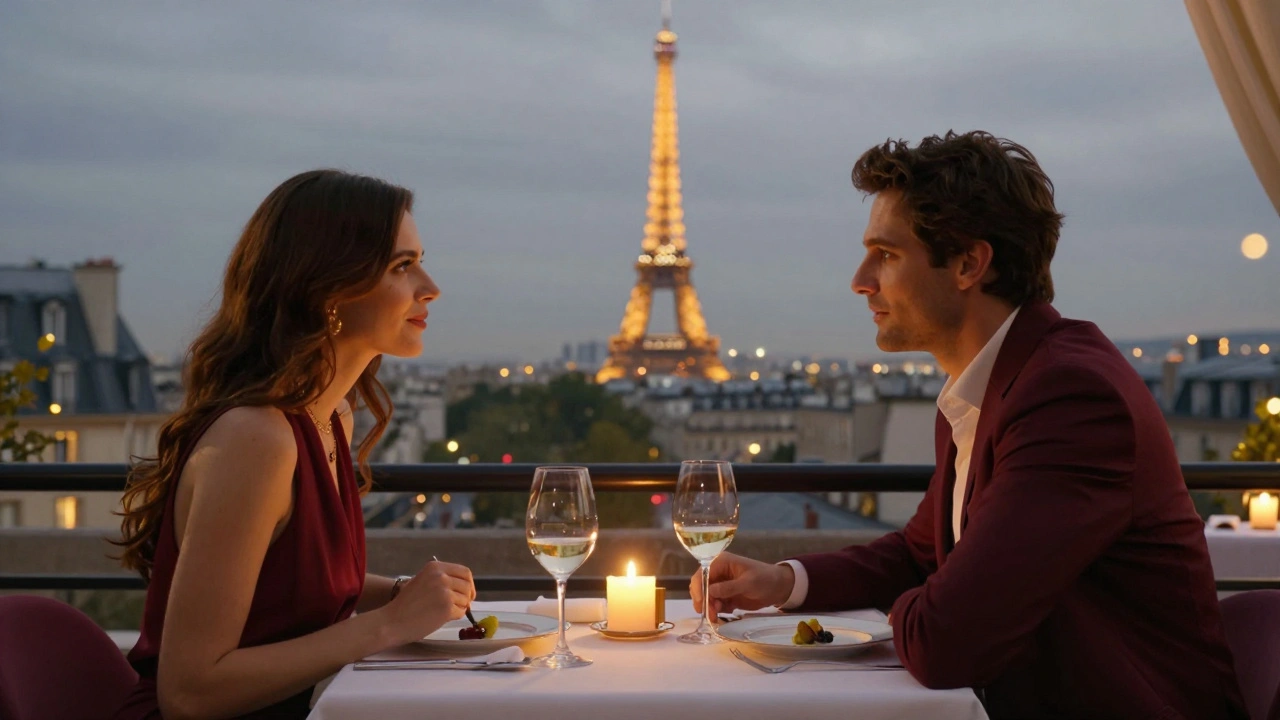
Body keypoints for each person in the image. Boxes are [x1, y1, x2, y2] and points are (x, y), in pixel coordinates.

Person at [693, 132, 1247, 719]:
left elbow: (948, 641)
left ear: (968, 263)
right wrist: (785, 583)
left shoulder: (1071, 399)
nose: (861, 279)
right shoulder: (994, 387)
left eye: (886, 254)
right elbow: (922, 554)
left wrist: (919, 606)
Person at [113, 169, 475, 719]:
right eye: (402, 266)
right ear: (330, 288)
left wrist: (402, 593)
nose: (431, 286)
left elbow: (290, 587)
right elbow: (188, 692)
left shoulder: (331, 419)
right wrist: (390, 624)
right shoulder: (257, 440)